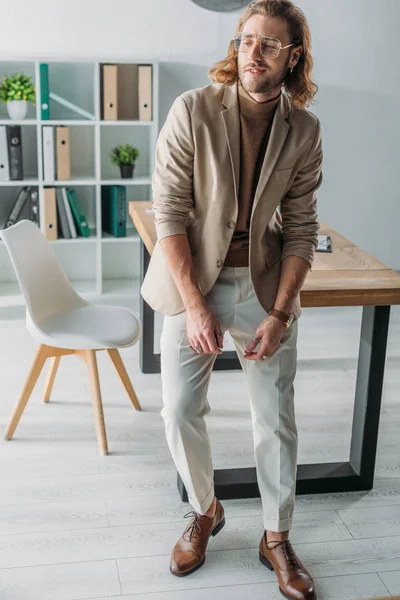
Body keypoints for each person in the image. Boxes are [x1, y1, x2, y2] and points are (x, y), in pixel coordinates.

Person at [141, 0, 323, 598]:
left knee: (275, 418)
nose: (254, 53)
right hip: (191, 281)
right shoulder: (192, 109)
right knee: (178, 411)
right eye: (247, 40)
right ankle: (204, 509)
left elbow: (300, 230)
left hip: (262, 284)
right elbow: (167, 212)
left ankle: (276, 535)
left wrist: (280, 312)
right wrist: (195, 305)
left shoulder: (304, 129)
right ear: (236, 45)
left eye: (270, 44)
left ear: (293, 55)